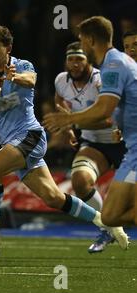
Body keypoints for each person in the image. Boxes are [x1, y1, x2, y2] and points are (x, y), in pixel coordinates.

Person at [0, 25, 129, 258]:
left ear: (7, 48)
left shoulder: (23, 65)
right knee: (53, 197)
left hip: (30, 135)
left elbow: (30, 80)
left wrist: (14, 77)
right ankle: (106, 223)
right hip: (11, 142)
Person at [43, 16, 137, 229]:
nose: (82, 45)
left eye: (82, 40)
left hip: (132, 149)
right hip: (129, 147)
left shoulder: (113, 65)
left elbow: (104, 109)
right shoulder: (114, 63)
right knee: (110, 217)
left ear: (91, 40)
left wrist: (69, 120)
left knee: (124, 212)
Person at [54, 41, 127, 253]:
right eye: (71, 59)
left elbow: (107, 119)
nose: (75, 64)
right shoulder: (61, 80)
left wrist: (71, 122)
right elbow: (59, 101)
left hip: (124, 142)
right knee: (80, 181)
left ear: (89, 62)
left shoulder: (101, 80)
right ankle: (107, 226)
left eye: (79, 59)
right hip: (94, 144)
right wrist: (67, 126)